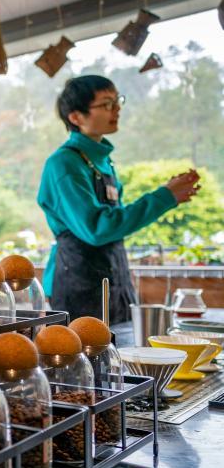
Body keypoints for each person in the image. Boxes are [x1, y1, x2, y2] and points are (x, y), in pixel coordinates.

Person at [37, 75, 201, 324]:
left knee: (119, 355)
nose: (117, 109)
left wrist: (166, 197)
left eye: (117, 101)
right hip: (78, 283)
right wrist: (163, 197)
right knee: (83, 360)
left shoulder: (103, 161)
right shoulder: (64, 164)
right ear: (76, 117)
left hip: (115, 277)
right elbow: (97, 228)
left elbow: (116, 223)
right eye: (106, 104)